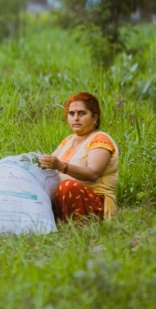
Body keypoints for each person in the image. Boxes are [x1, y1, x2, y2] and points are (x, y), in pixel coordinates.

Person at [39, 92, 119, 222]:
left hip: (96, 203)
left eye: (81, 113)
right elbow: (47, 166)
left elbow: (93, 174)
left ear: (95, 118)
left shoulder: (100, 139)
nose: (75, 118)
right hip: (66, 200)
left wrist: (62, 166)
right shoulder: (68, 140)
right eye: (71, 114)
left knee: (67, 186)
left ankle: (79, 226)